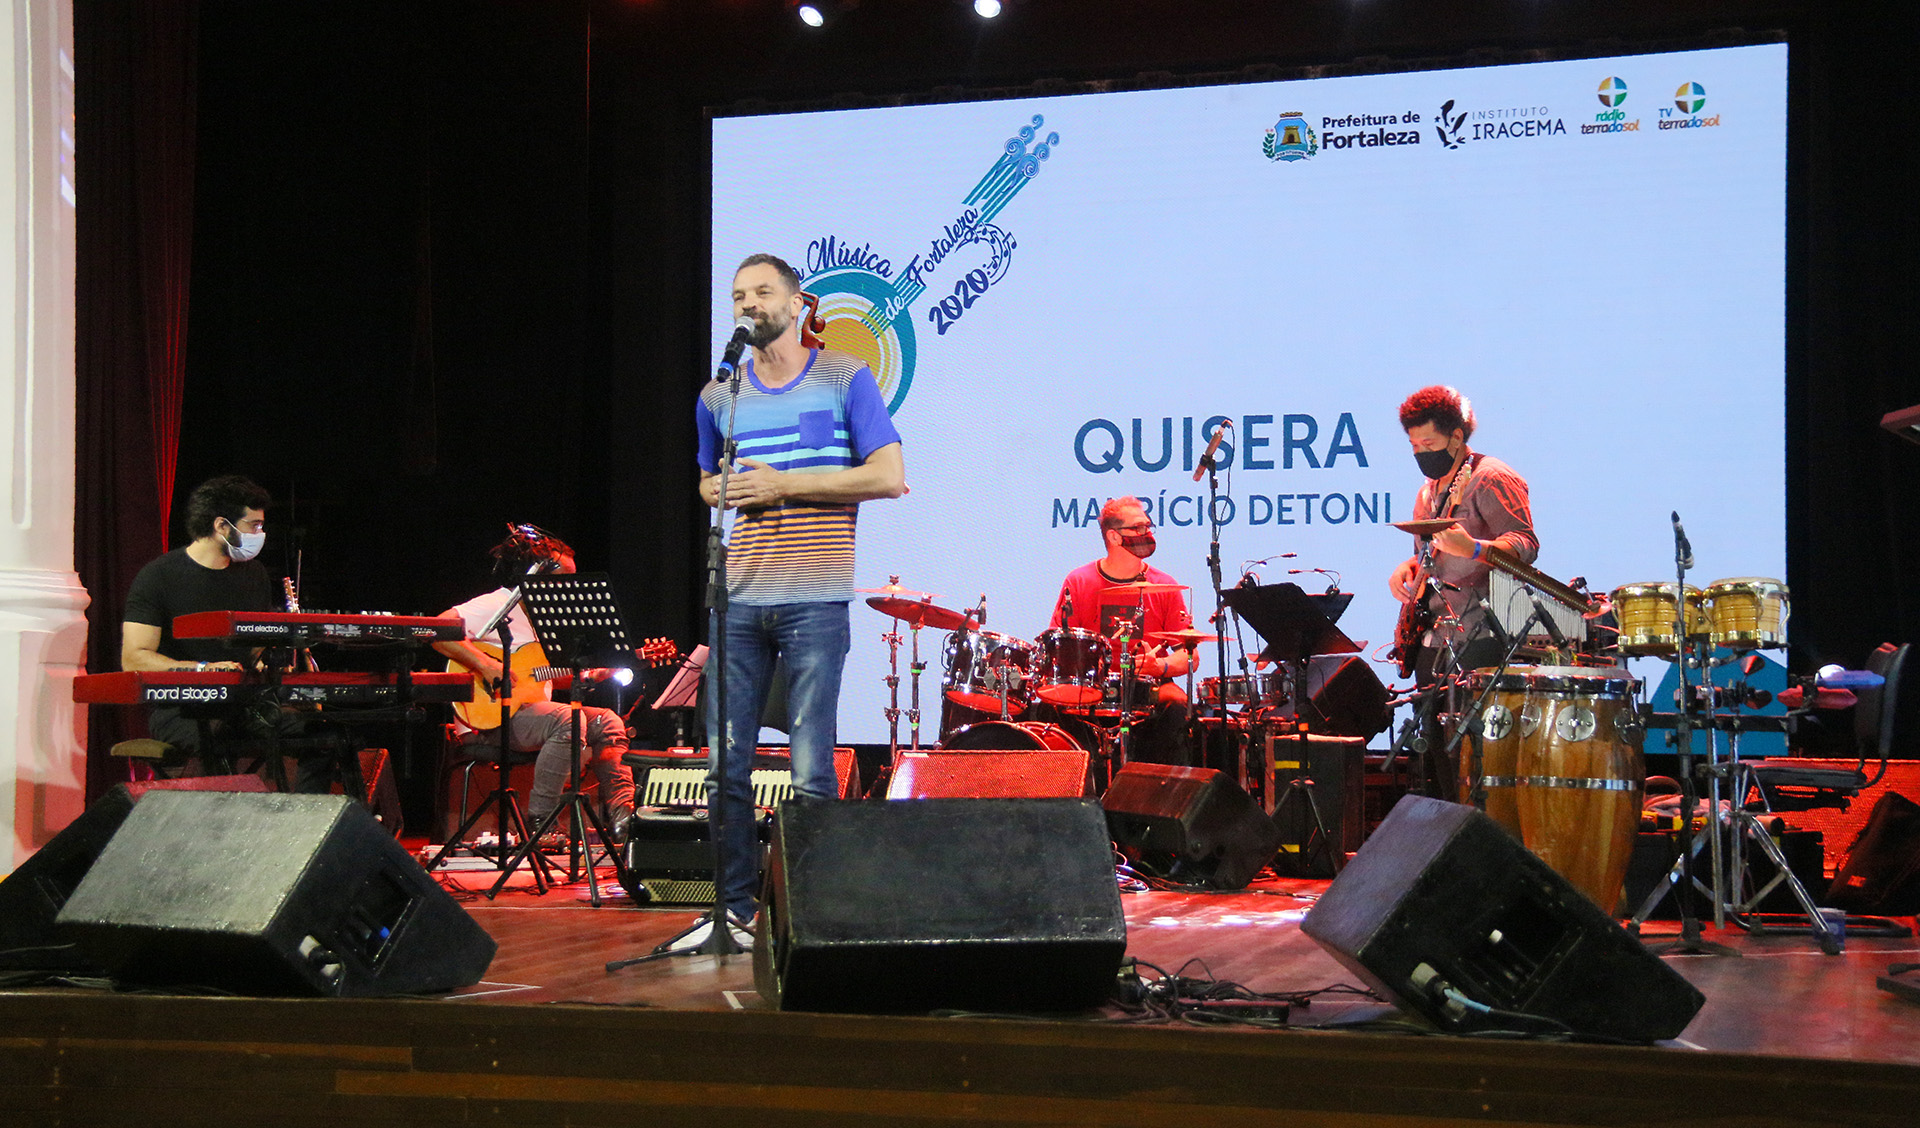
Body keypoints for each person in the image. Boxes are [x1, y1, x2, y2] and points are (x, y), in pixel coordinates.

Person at [697, 252, 905, 928]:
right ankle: (731, 913)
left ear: (797, 303)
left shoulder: (847, 376)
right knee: (724, 770)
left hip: (814, 600)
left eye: (762, 291)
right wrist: (722, 487)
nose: (747, 303)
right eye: (737, 294)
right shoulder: (717, 396)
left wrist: (784, 483)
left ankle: (811, 918)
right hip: (739, 603)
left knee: (811, 767)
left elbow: (887, 475)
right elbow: (706, 481)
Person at [433, 525, 636, 842]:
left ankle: (625, 820)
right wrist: (486, 664)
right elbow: (438, 630)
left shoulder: (547, 617)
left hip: (531, 715)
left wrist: (592, 675)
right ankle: (542, 823)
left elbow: (538, 677)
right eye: (564, 577)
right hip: (489, 720)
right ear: (537, 575)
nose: (570, 586)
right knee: (570, 719)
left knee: (607, 721)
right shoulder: (498, 604)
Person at [1385, 385, 1537, 794]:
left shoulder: (1491, 478)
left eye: (1429, 443)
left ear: (1457, 437)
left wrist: (1474, 548)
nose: (1421, 453)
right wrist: (1410, 566)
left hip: (1482, 635)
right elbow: (1429, 556)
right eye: (1414, 445)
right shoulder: (1428, 490)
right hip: (1435, 635)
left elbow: (1525, 544)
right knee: (1435, 757)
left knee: (1472, 756)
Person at [121, 474, 319, 787]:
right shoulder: (158, 576)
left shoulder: (253, 575)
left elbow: (253, 644)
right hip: (183, 707)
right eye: (253, 525)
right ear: (221, 526)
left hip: (246, 702)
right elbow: (134, 658)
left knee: (321, 734)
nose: (260, 533)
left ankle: (308, 824)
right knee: (218, 738)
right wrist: (205, 669)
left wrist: (267, 659)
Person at [1039, 495, 1195, 765]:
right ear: (1113, 537)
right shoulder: (1078, 581)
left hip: (1149, 686)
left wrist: (1160, 666)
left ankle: (1165, 795)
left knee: (1179, 705)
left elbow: (1188, 657)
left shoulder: (1165, 585)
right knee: (1046, 707)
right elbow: (1059, 649)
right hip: (1092, 687)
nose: (1146, 533)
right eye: (1137, 528)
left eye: (1148, 527)